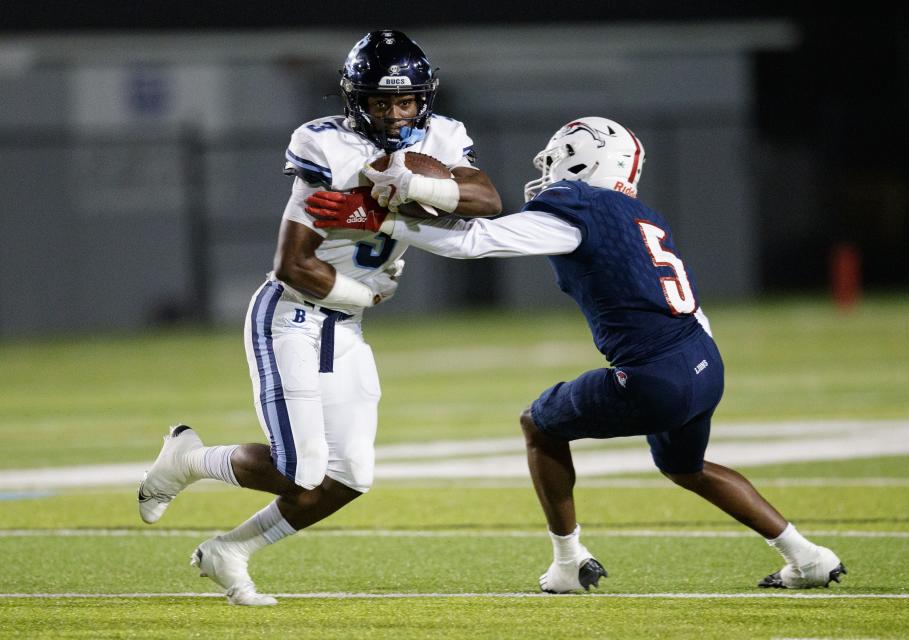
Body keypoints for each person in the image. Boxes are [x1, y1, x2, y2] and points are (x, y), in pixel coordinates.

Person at [304, 116, 847, 593]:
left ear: (582, 160)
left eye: (555, 159)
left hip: (656, 374)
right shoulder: (643, 217)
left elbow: (473, 241)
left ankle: (567, 563)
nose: (546, 172)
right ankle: (809, 557)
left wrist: (379, 219)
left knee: (538, 425)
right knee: (687, 467)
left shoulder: (578, 207)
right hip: (704, 361)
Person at [136, 29, 502, 606]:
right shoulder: (325, 146)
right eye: (380, 102)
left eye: (404, 101)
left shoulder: (443, 136)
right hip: (292, 316)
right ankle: (189, 458)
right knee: (300, 470)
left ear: (423, 98)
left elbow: (487, 199)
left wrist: (407, 187)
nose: (394, 114)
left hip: (345, 328)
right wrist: (368, 293)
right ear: (356, 100)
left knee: (350, 475)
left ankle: (231, 550)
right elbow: (292, 265)